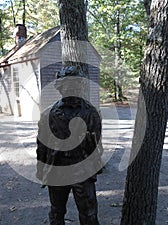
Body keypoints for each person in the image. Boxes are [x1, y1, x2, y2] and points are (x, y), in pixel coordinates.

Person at [36, 66, 103, 225]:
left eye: (76, 84)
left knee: (89, 213)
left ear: (81, 86)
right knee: (56, 211)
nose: (72, 88)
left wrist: (89, 144)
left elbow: (97, 147)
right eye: (67, 84)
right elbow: (42, 146)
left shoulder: (91, 113)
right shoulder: (47, 114)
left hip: (82, 169)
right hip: (57, 169)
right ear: (60, 87)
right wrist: (41, 170)